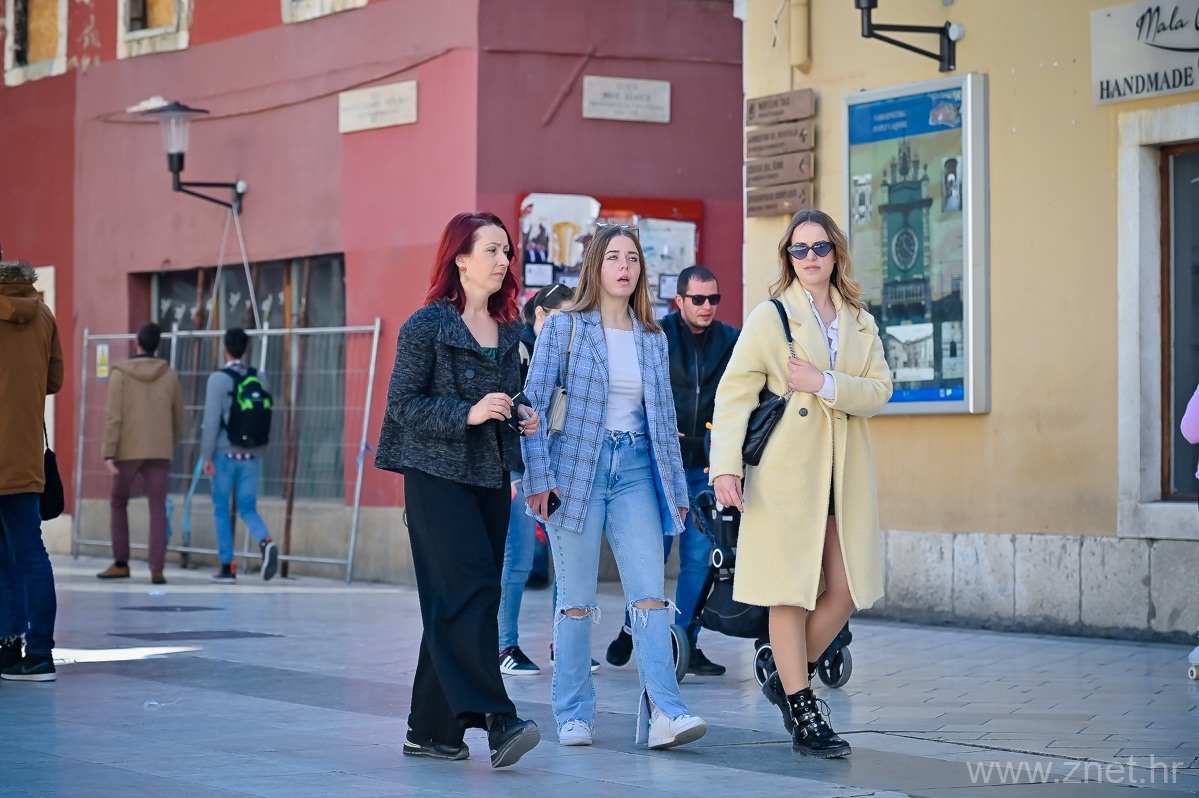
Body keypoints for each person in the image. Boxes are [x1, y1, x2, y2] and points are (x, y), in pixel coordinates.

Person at [710, 208, 891, 758]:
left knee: (846, 591)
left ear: (836, 253)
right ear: (789, 258)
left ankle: (786, 673)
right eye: (799, 249)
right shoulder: (772, 317)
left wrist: (824, 381)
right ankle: (803, 709)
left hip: (844, 474)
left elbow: (879, 391)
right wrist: (725, 467)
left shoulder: (859, 320)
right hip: (787, 474)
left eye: (820, 247)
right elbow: (735, 392)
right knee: (788, 591)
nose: (810, 257)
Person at [522, 224, 707, 750]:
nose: (624, 267)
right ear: (595, 267)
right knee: (576, 599)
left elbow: (662, 419)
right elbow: (531, 408)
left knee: (650, 595)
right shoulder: (564, 328)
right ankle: (573, 712)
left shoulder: (652, 336)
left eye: (632, 258)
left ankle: (665, 711)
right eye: (613, 258)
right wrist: (537, 478)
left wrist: (676, 491)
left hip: (635, 469)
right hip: (574, 470)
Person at [374, 212, 541, 769]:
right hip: (435, 477)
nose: (503, 260)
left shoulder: (510, 329)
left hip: (489, 477)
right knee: (473, 590)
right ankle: (499, 717)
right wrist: (467, 412)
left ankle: (429, 730)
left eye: (507, 251)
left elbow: (507, 398)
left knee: (458, 601)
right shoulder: (425, 326)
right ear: (460, 259)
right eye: (491, 249)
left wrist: (520, 413)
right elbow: (403, 405)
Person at [606, 265, 739, 677]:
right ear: (679, 300)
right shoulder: (656, 335)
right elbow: (631, 389)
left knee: (699, 558)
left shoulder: (732, 340)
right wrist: (654, 426)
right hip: (660, 464)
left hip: (706, 466)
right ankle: (633, 625)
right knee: (654, 553)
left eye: (713, 299)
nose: (707, 306)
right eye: (698, 299)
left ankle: (684, 643)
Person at [498, 283, 572, 677]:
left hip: (556, 467)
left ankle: (565, 645)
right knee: (519, 559)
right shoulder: (518, 347)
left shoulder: (568, 353)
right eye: (563, 318)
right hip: (518, 469)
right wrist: (513, 473)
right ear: (541, 314)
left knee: (568, 560)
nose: (570, 327)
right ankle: (504, 646)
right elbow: (509, 408)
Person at [0, 259, 64, 682]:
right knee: (30, 554)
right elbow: (54, 381)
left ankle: (8, 645)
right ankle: (39, 653)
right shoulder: (43, 314)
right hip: (23, 456)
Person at [97, 322, 184, 585]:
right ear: (158, 344)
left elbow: (114, 417)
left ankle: (121, 562)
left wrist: (109, 451)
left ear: (137, 342)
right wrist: (170, 444)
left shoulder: (120, 374)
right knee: (158, 507)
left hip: (128, 449)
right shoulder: (169, 375)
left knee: (118, 501)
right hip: (159, 449)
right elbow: (178, 417)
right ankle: (157, 568)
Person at [200, 328, 278, 583]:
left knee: (221, 510)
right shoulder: (259, 377)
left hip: (224, 456)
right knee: (247, 507)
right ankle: (266, 541)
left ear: (225, 349)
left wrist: (206, 456)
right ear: (246, 350)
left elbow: (211, 422)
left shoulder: (218, 380)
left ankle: (228, 566)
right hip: (252, 456)